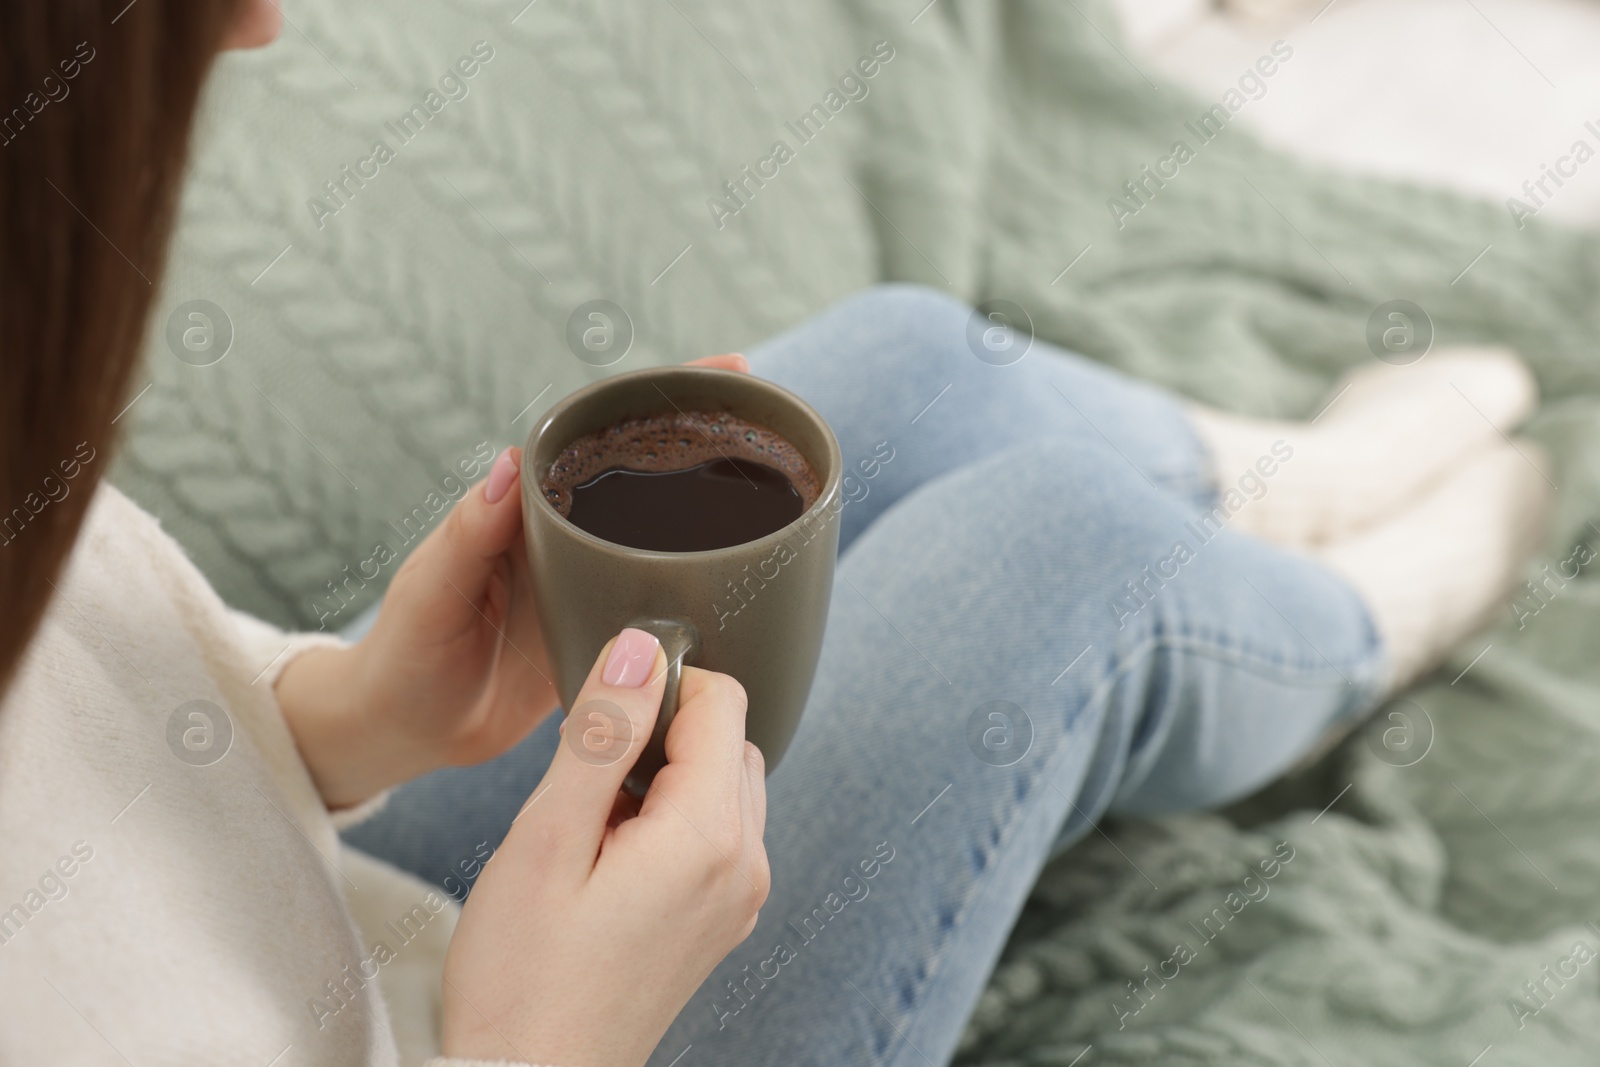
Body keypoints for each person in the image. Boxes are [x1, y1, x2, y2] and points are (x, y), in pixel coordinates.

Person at [0, 3, 1549, 1066]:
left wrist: (345, 717)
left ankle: (1283, 486)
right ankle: (1373, 619)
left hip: (318, 898)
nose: (265, 18)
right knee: (1057, 559)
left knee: (911, 368)